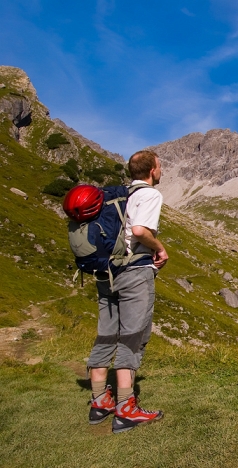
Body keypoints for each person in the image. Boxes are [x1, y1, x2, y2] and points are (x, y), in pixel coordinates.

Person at [85, 150, 169, 434]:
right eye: (160, 166)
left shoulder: (115, 194)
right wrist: (159, 248)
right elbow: (140, 229)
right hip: (134, 272)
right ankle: (125, 408)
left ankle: (99, 402)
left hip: (105, 273)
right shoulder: (150, 195)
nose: (161, 170)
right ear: (153, 169)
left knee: (106, 333)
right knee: (133, 336)